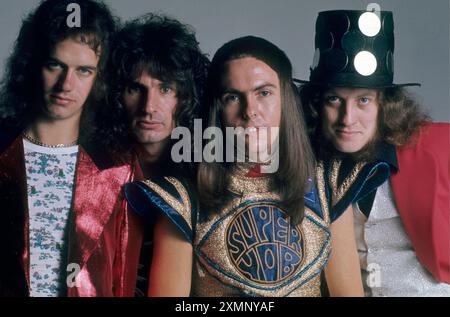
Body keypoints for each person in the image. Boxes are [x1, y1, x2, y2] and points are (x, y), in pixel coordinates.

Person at [126, 36, 365, 296]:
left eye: (263, 93)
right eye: (232, 97)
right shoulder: (181, 199)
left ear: (286, 99)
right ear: (218, 109)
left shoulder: (328, 183)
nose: (250, 110)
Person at [299, 10, 450, 296]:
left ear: (386, 105)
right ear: (316, 105)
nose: (348, 118)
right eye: (334, 99)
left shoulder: (441, 145)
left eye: (363, 101)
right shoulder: (306, 165)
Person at [0, 0, 141, 297]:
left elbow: (122, 280)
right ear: (33, 63)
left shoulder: (119, 170)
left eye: (84, 71)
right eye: (55, 65)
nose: (66, 84)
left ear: (99, 77)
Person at [107, 13, 209, 296]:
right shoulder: (96, 175)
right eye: (135, 89)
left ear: (186, 96)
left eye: (165, 88)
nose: (148, 106)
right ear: (117, 95)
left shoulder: (207, 171)